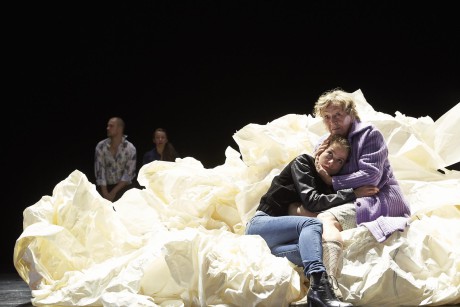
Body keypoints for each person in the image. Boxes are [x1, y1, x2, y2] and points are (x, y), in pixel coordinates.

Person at [291, 88, 412, 298]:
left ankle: (327, 286)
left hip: (376, 198)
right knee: (296, 210)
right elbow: (318, 178)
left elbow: (371, 177)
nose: (332, 122)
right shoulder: (323, 142)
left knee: (325, 219)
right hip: (350, 196)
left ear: (351, 114)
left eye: (337, 115)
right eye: (327, 117)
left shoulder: (369, 135)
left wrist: (332, 180)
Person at [245, 135, 378, 307]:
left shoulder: (331, 187)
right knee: (313, 224)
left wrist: (330, 181)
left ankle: (316, 296)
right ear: (321, 149)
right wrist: (353, 193)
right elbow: (312, 201)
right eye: (330, 154)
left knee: (320, 250)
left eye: (339, 161)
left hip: (278, 244)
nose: (331, 162)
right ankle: (318, 291)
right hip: (261, 226)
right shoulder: (303, 163)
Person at [94, 117, 137, 202]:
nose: (107, 128)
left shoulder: (130, 148)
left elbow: (128, 174)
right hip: (105, 188)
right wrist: (106, 194)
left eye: (111, 126)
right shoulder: (101, 146)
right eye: (108, 126)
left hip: (124, 188)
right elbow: (100, 171)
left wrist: (113, 193)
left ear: (119, 128)